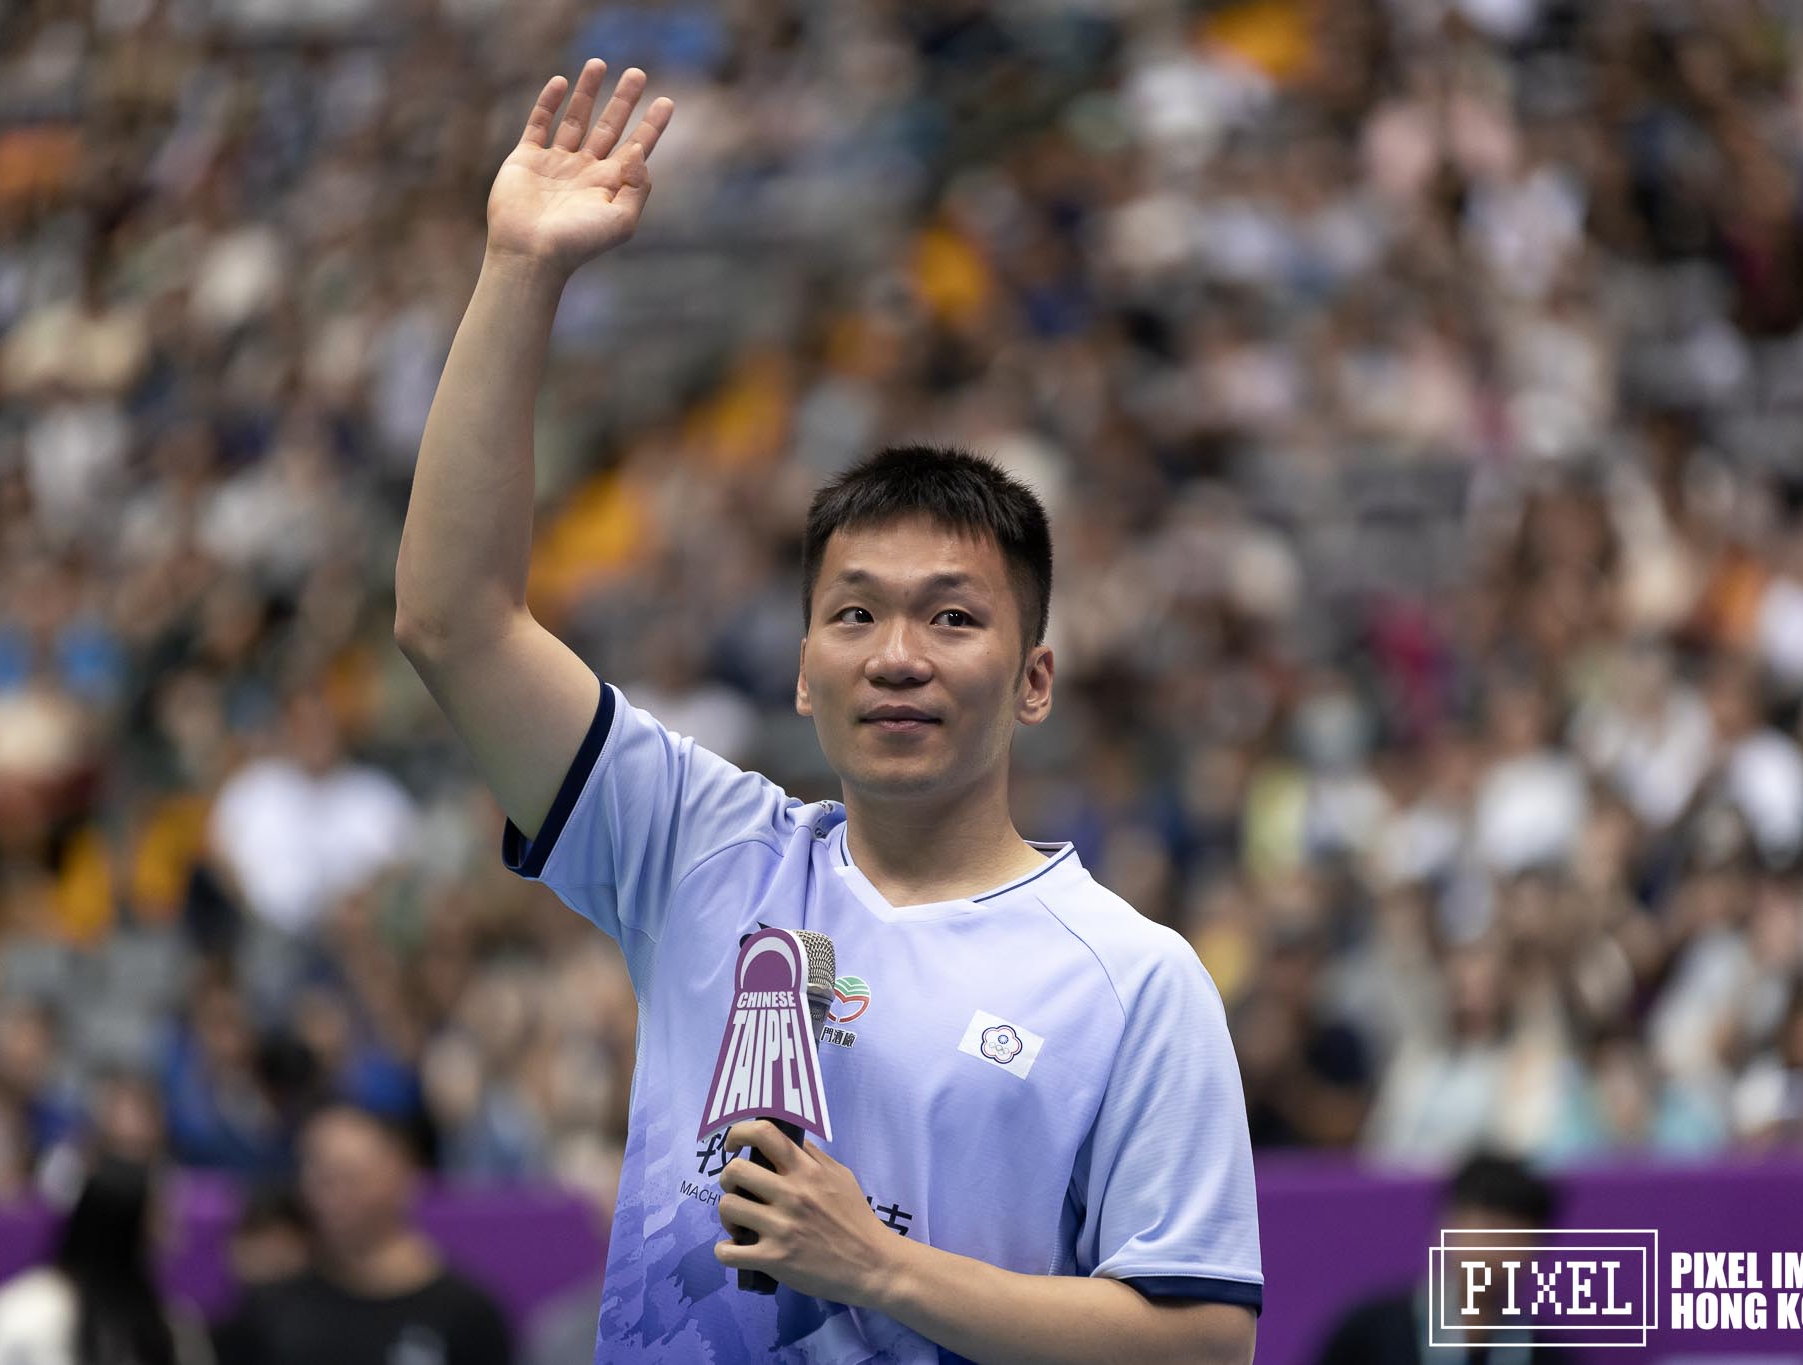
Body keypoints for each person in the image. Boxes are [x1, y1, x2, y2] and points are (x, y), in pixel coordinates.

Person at [395, 59, 1263, 1363]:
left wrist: (881, 1268)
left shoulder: (1134, 980)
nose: (896, 655)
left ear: (1036, 679)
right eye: (854, 614)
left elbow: (1203, 1342)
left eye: (954, 618)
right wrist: (521, 269)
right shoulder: (701, 849)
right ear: (802, 669)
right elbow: (454, 624)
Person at [217, 1104, 510, 1365]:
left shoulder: (467, 1313)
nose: (331, 1197)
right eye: (319, 1176)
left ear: (403, 1175)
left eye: (349, 1176)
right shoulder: (270, 1309)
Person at [1311, 1153, 1577, 1365]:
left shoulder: (1544, 1354)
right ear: (1448, 1225)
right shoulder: (1370, 1335)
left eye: (1516, 1238)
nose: (1497, 1253)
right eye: (1490, 1229)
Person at [0, 1156, 211, 1365]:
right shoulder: (25, 1314)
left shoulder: (171, 1328)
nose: (173, 1241)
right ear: (121, 1230)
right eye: (158, 1225)